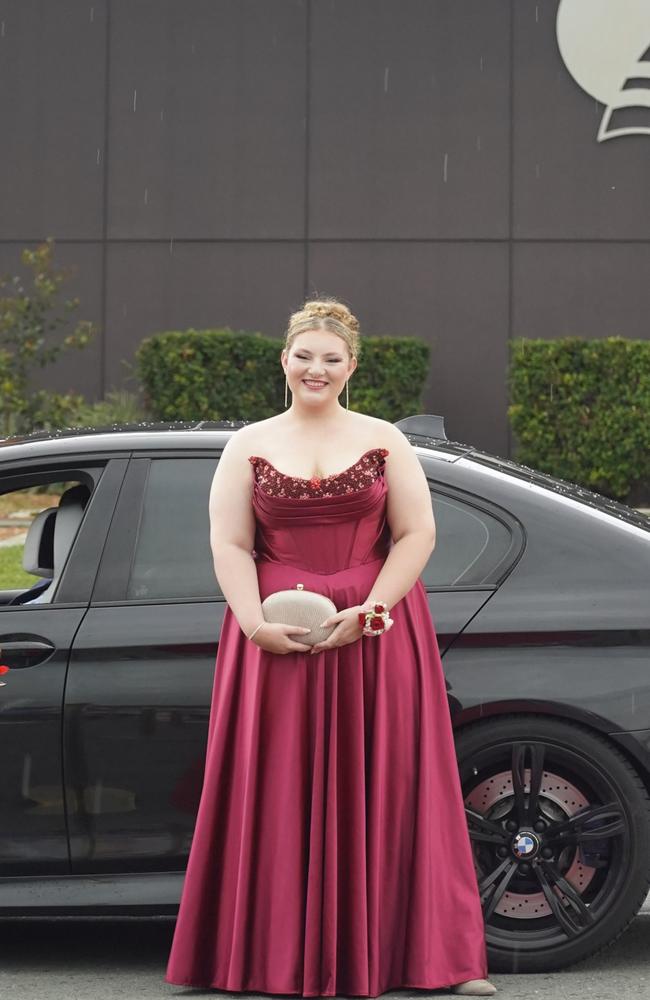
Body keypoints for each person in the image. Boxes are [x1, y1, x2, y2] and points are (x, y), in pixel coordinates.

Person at [164, 298, 497, 997]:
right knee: (276, 786)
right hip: (275, 633)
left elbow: (417, 535)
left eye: (331, 358)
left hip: (376, 633)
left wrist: (373, 610)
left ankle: (439, 959)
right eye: (304, 355)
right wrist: (256, 624)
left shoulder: (384, 438)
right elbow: (228, 543)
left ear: (351, 367)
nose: (316, 368)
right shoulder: (246, 444)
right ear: (284, 360)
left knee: (398, 783)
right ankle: (263, 957)